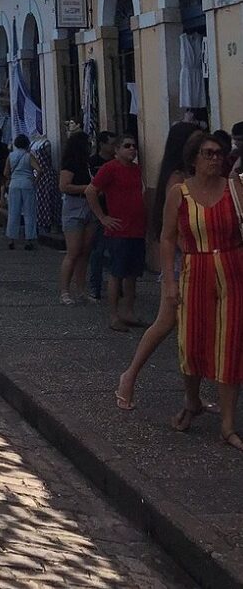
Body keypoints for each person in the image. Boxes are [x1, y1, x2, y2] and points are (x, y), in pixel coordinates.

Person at [161, 132, 242, 448]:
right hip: (197, 270)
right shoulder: (179, 194)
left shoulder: (234, 189)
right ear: (193, 158)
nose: (215, 159)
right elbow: (167, 238)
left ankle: (227, 424)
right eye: (208, 153)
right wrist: (169, 280)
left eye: (219, 153)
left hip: (233, 271)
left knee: (230, 345)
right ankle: (192, 400)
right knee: (192, 342)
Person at [114, 122, 201, 410]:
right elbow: (171, 231)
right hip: (182, 261)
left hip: (195, 258)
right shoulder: (177, 180)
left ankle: (193, 396)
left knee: (192, 331)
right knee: (165, 324)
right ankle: (129, 377)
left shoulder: (190, 175)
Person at [85, 135, 146, 332]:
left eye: (134, 146)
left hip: (136, 229)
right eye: (127, 146)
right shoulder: (110, 168)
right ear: (117, 150)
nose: (132, 149)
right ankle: (114, 316)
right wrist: (103, 217)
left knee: (132, 274)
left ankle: (128, 311)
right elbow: (91, 190)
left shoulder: (136, 170)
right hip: (119, 230)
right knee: (116, 273)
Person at [58, 131, 100, 304]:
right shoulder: (70, 164)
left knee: (85, 252)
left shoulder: (88, 164)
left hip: (89, 206)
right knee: (73, 251)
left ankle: (81, 290)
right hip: (74, 206)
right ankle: (65, 291)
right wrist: (87, 188)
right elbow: (64, 186)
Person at [87, 131, 118, 300]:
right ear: (102, 144)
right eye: (112, 143)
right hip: (101, 211)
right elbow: (94, 187)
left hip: (117, 211)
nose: (114, 147)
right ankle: (95, 286)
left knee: (117, 251)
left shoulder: (119, 162)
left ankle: (117, 285)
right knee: (98, 251)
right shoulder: (93, 162)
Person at [4, 134, 39, 250]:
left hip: (14, 184)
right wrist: (34, 181)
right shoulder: (29, 156)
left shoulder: (11, 156)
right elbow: (39, 170)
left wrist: (12, 178)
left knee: (13, 212)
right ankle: (29, 239)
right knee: (29, 212)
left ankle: (11, 239)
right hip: (27, 184)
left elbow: (6, 173)